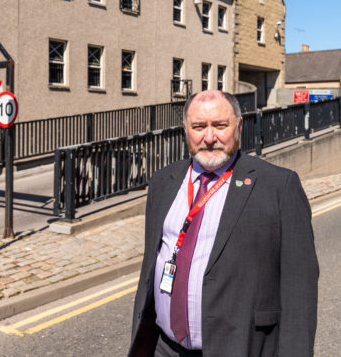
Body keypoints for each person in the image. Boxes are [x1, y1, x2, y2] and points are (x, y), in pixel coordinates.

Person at [128, 90, 319, 357]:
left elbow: (300, 288)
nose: (209, 137)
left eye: (220, 125)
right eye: (198, 127)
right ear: (186, 130)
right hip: (165, 348)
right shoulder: (163, 182)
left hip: (241, 347)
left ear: (239, 126)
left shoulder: (279, 186)